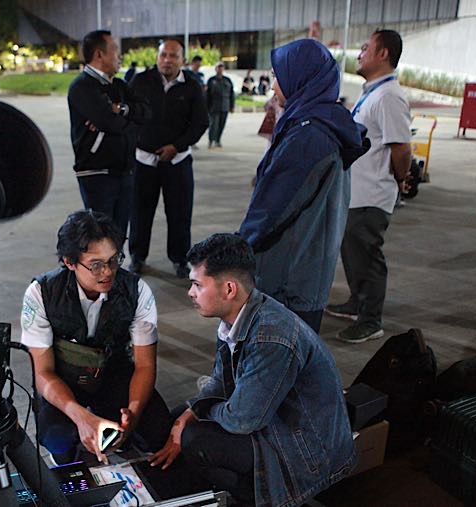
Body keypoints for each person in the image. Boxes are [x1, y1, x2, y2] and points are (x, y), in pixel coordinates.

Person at [148, 233, 355, 506]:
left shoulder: (271, 337)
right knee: (176, 420)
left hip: (306, 448)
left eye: (197, 284)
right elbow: (221, 381)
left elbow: (243, 420)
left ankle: (258, 498)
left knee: (195, 440)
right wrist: (189, 413)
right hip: (277, 420)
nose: (190, 293)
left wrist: (202, 412)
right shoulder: (238, 316)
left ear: (229, 289)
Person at [22, 210, 173, 465]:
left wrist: (132, 416)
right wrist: (82, 418)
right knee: (57, 439)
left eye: (114, 260)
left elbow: (145, 365)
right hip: (64, 377)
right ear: (69, 262)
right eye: (96, 264)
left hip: (114, 372)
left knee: (157, 430)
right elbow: (43, 373)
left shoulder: (136, 290)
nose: (108, 272)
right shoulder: (41, 293)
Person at [238, 39, 367, 334]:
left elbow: (271, 210)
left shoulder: (307, 138)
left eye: (277, 76)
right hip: (308, 269)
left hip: (286, 276)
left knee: (274, 363)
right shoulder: (325, 123)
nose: (273, 86)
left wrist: (236, 249)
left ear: (299, 76)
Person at [326, 29, 412, 344]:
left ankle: (371, 319)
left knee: (367, 255)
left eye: (366, 48)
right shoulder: (374, 92)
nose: (360, 53)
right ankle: (356, 303)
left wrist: (401, 178)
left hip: (372, 194)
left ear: (383, 54)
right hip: (357, 192)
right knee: (352, 251)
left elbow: (401, 148)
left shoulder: (389, 96)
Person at [128, 39, 208, 278]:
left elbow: (201, 123)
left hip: (178, 161)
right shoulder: (140, 82)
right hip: (143, 162)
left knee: (180, 213)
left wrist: (177, 146)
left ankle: (180, 258)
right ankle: (137, 256)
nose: (167, 60)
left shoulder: (192, 86)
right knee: (140, 213)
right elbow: (128, 115)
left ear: (182, 60)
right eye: (163, 55)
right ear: (157, 57)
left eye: (173, 56)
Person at [67, 30, 151, 236]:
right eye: (115, 49)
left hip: (125, 171)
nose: (119, 55)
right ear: (99, 55)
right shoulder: (82, 87)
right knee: (101, 236)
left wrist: (122, 110)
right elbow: (108, 123)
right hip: (97, 175)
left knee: (119, 233)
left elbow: (147, 112)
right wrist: (127, 123)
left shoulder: (119, 85)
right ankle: (102, 269)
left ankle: (115, 269)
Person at [205, 61, 234, 149]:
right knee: (213, 125)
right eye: (218, 67)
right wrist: (206, 107)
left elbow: (231, 94)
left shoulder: (227, 80)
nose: (220, 69)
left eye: (222, 67)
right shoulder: (211, 80)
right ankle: (211, 141)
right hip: (214, 106)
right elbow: (207, 95)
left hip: (225, 106)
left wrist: (232, 106)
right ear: (215, 69)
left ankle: (218, 140)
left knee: (221, 124)